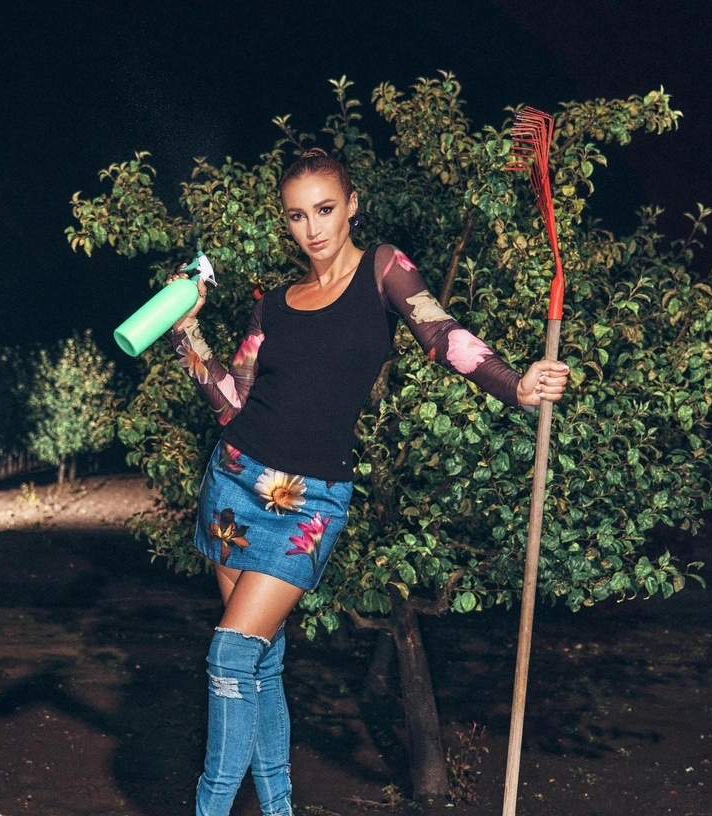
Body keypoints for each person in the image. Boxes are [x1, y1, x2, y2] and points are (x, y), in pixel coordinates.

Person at [165, 147, 569, 816]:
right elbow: (233, 403)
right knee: (259, 664)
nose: (313, 228)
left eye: (325, 209)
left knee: (230, 657)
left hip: (308, 504)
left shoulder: (384, 269)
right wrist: (186, 333)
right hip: (233, 483)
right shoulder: (274, 306)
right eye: (297, 215)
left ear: (351, 205)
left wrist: (514, 385)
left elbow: (442, 334)